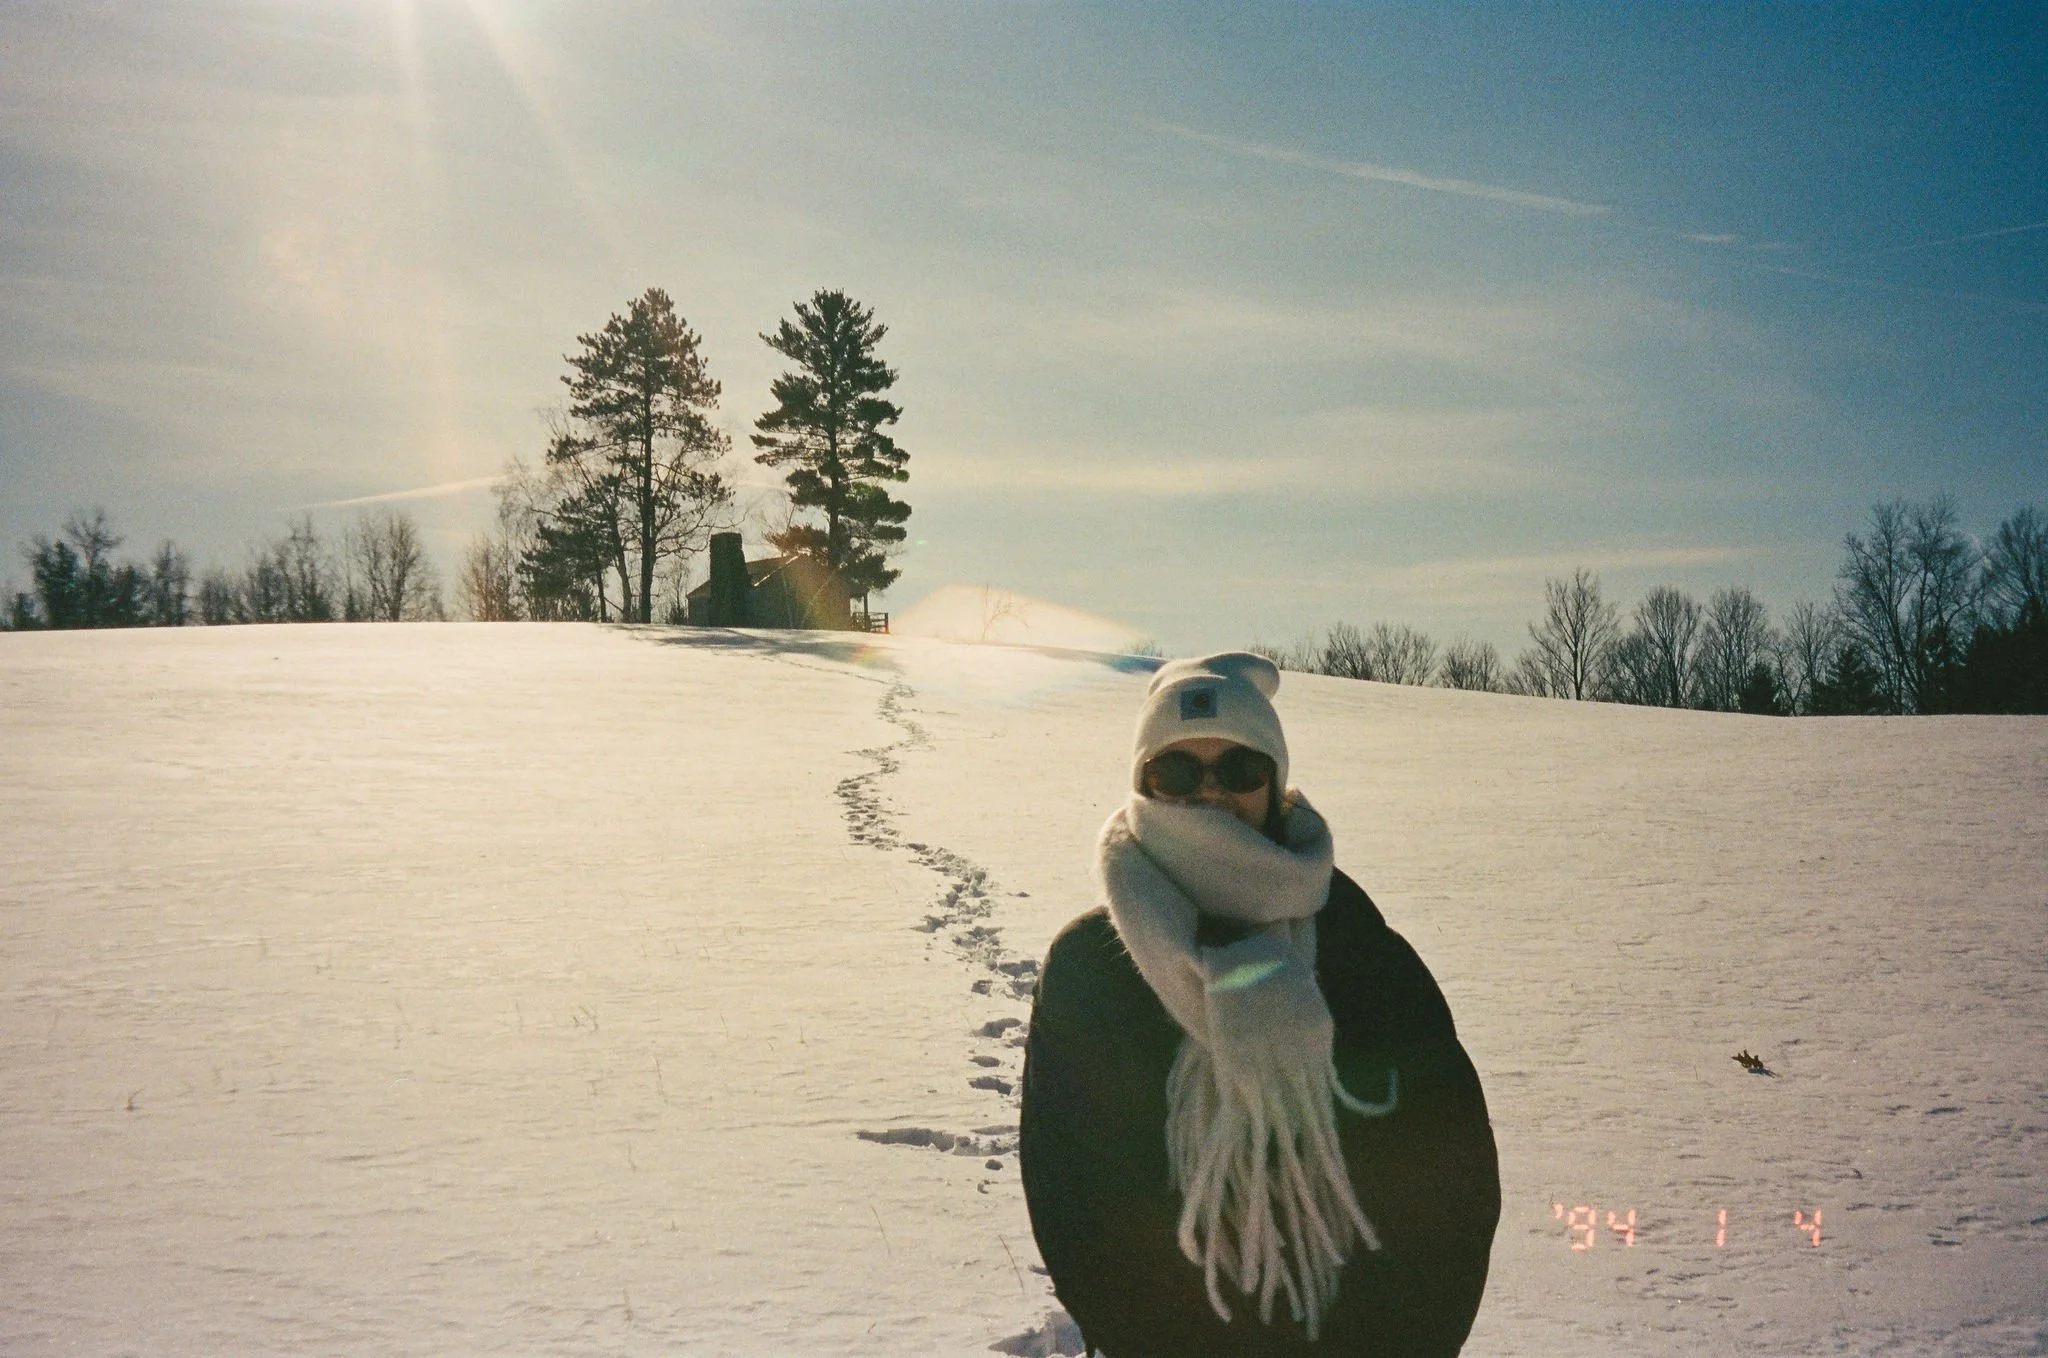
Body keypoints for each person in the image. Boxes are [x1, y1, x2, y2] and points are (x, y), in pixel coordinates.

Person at [1020, 652, 1499, 1357]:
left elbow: (1451, 1187)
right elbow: (1076, 1206)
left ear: (1275, 786)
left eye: (1240, 769)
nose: (1210, 793)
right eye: (1178, 772)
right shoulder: (1092, 970)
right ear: (1143, 787)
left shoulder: (1362, 951)